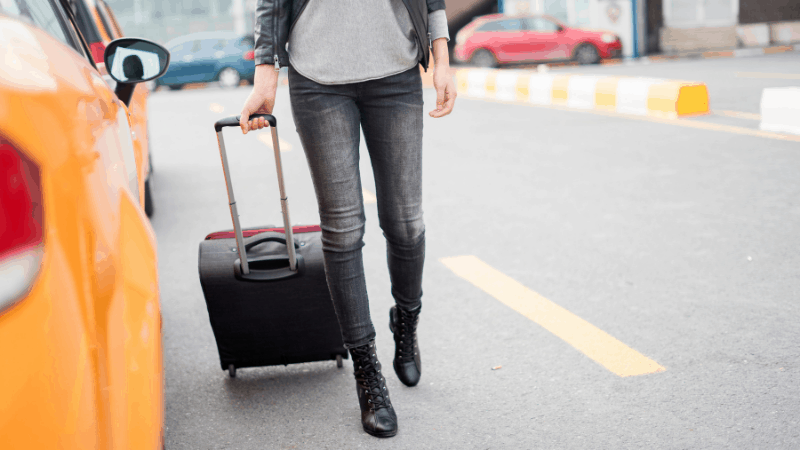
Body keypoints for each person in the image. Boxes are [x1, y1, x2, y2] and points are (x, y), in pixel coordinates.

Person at [239, 0, 456, 438]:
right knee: (342, 229)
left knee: (406, 223)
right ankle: (368, 373)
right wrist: (266, 71)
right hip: (318, 77)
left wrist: (442, 57)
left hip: (395, 68)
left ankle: (406, 318)